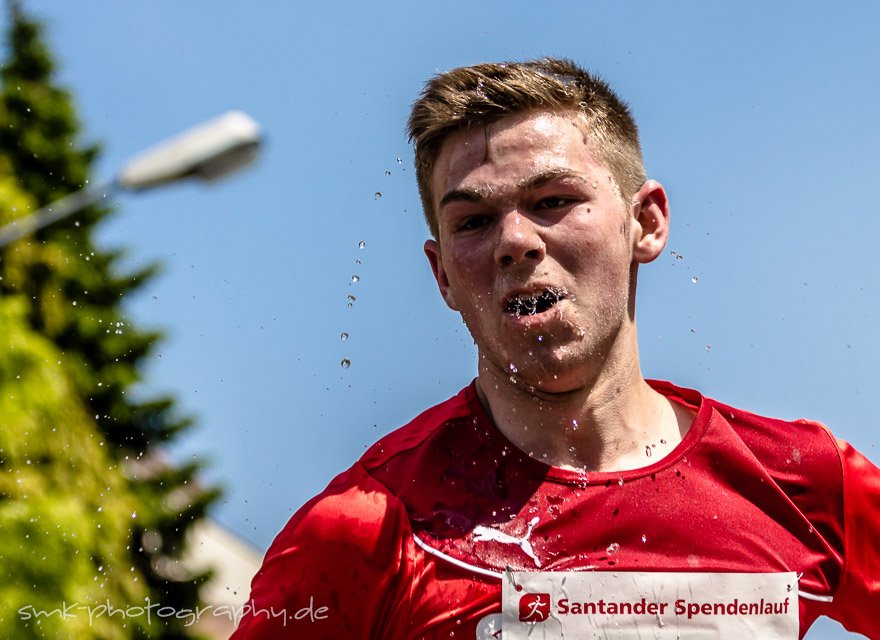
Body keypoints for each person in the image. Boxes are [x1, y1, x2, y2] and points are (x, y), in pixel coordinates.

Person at [231, 58, 880, 639]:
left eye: (552, 201)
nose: (515, 241)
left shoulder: (811, 484)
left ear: (646, 223)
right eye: (474, 222)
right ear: (443, 277)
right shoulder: (363, 531)